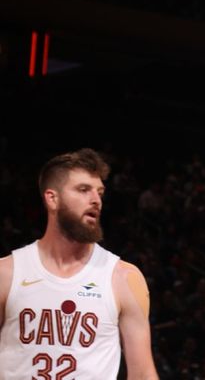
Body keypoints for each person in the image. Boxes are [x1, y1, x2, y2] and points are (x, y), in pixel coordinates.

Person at [0, 148, 158, 379]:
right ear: (52, 198)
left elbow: (143, 373)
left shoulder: (124, 277)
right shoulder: (6, 273)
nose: (96, 200)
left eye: (100, 192)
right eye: (83, 190)